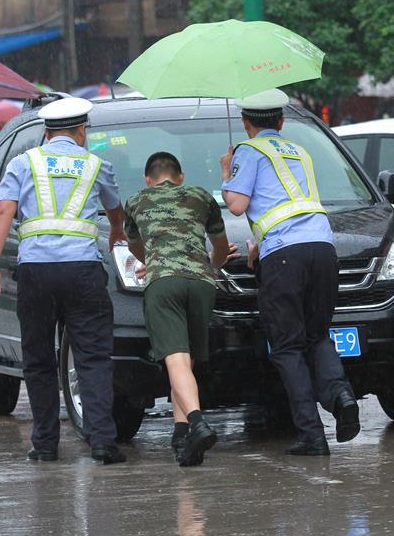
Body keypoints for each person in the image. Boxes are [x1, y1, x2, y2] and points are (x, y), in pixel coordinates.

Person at [0, 97, 128, 465]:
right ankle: (103, 442)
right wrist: (116, 233)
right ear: (81, 131)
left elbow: (3, 211)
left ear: (46, 132)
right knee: (92, 356)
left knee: (38, 357)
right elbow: (114, 209)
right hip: (83, 271)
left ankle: (45, 444)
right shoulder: (96, 165)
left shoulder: (23, 162)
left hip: (36, 272)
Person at [219, 89, 360, 455]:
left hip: (285, 258)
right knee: (317, 335)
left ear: (246, 124)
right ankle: (341, 394)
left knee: (286, 347)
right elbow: (286, 205)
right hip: (324, 249)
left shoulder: (248, 151)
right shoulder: (299, 151)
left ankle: (312, 436)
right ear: (281, 122)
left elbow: (237, 206)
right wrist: (259, 246)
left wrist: (226, 172)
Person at [123, 152, 238, 466]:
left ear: (148, 180)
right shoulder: (201, 196)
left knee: (175, 360)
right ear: (181, 175)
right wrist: (211, 267)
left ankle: (198, 422)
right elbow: (219, 249)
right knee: (185, 363)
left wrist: (157, 262)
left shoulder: (135, 201)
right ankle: (181, 435)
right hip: (201, 284)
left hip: (164, 284)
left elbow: (135, 247)